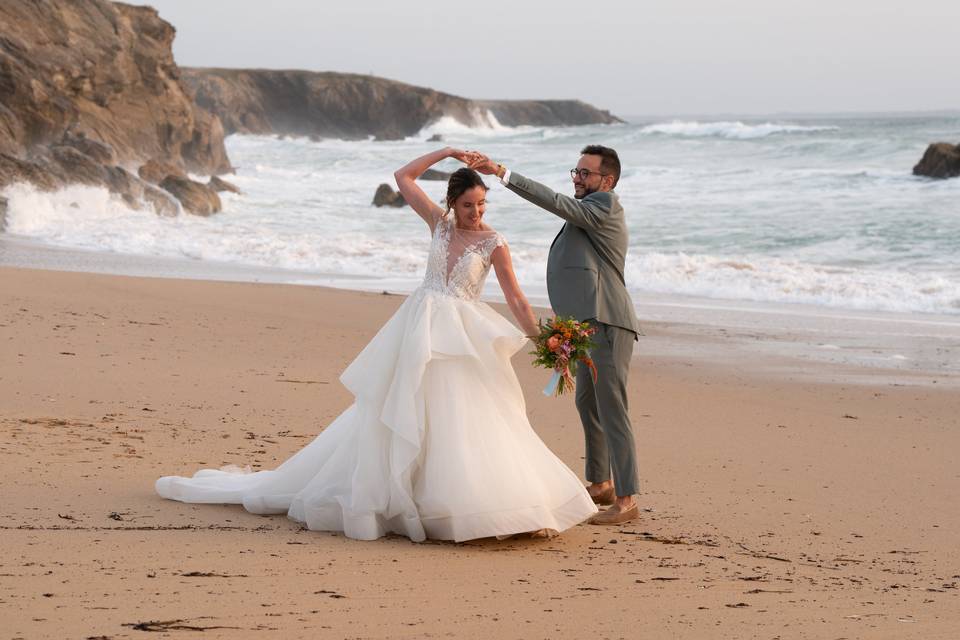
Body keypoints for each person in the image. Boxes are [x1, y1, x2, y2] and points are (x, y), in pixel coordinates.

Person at [155, 147, 598, 542]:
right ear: (452, 203)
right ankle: (406, 500)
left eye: (482, 204)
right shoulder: (438, 225)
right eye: (468, 205)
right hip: (419, 328)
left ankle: (495, 505)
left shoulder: (493, 242)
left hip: (460, 337)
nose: (476, 213)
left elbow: (517, 298)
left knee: (469, 415)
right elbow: (403, 176)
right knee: (402, 411)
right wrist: (445, 153)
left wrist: (548, 340)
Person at [468, 146, 642, 525]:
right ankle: (601, 483)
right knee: (588, 404)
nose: (577, 178)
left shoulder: (605, 207)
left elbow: (556, 202)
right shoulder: (588, 214)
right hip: (584, 326)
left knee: (612, 409)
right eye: (575, 171)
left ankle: (627, 499)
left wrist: (503, 172)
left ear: (607, 182)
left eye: (585, 173)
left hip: (607, 322)